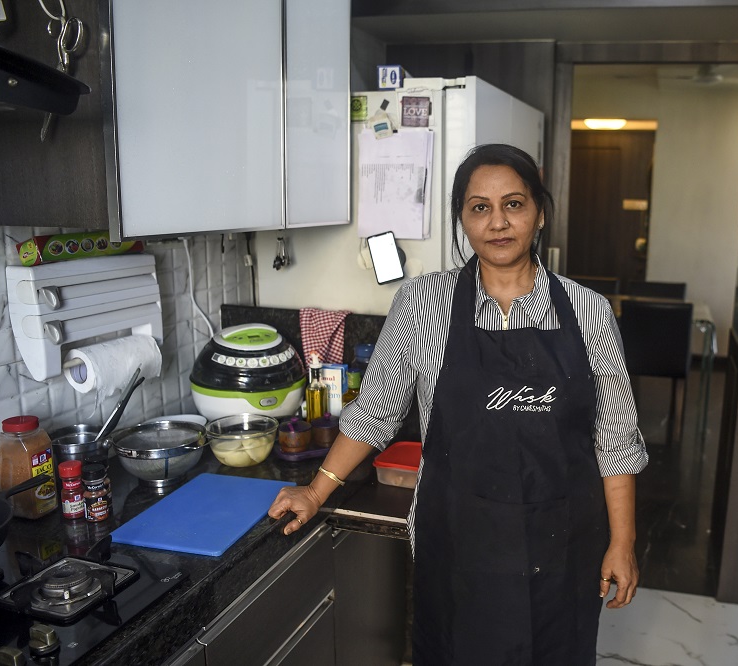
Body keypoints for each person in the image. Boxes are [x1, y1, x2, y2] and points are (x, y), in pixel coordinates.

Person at [268, 143, 648, 665]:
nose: (498, 222)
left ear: (539, 213)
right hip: (458, 548)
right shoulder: (422, 302)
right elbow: (376, 410)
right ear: (463, 220)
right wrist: (315, 491)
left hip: (563, 548)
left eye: (513, 204)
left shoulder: (589, 312)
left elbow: (616, 442)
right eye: (479, 207)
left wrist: (622, 542)